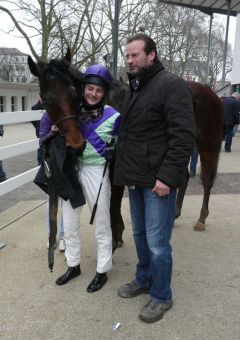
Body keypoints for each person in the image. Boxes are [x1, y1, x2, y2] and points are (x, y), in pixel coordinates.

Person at [113, 34, 196, 323]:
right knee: (139, 235)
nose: (130, 60)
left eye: (135, 55)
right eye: (127, 56)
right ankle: (144, 277)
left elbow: (183, 136)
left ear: (152, 55)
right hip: (136, 176)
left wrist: (167, 177)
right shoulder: (137, 87)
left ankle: (162, 295)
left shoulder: (170, 85)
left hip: (158, 180)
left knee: (159, 242)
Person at [55, 64, 121, 293]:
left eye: (98, 91)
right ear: (84, 88)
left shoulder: (114, 116)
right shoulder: (71, 111)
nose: (93, 94)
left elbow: (125, 144)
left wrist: (116, 151)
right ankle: (73, 265)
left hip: (97, 171)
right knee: (70, 222)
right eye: (90, 88)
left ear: (104, 93)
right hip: (73, 170)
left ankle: (102, 270)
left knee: (102, 221)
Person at [39, 112, 65, 252]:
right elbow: (41, 141)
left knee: (67, 203)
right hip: (52, 164)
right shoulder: (47, 116)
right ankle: (51, 236)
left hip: (67, 164)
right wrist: (53, 132)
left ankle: (64, 236)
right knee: (51, 202)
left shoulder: (71, 112)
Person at [31, 98, 45, 165]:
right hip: (39, 131)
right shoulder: (34, 107)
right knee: (40, 148)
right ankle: (40, 164)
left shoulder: (48, 105)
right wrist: (38, 126)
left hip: (47, 131)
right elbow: (32, 120)